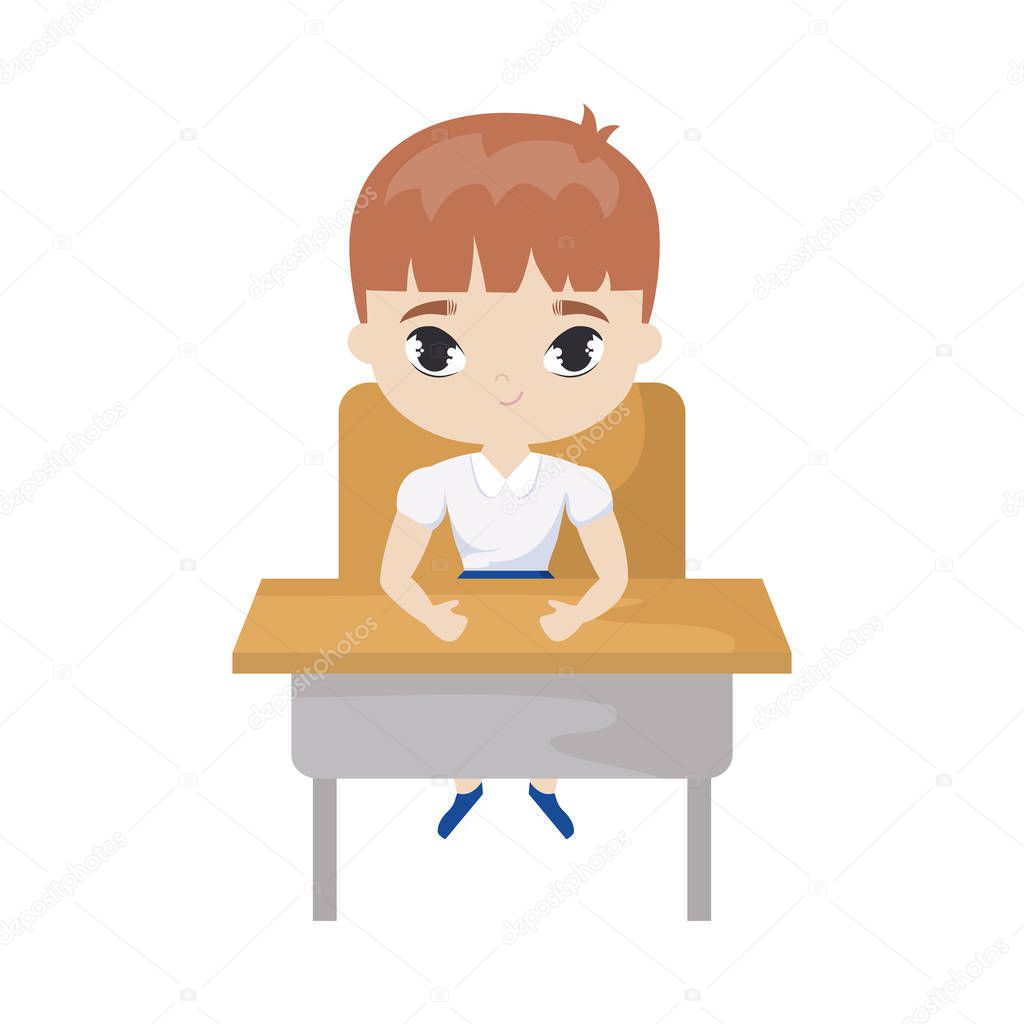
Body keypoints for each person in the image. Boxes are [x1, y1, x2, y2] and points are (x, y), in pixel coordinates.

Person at [347, 106, 661, 838]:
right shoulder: (430, 484)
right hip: (462, 611)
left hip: (547, 609)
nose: (506, 382)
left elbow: (611, 576)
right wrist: (432, 617)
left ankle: (546, 786)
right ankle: (467, 785)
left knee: (555, 699)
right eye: (435, 346)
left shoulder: (579, 484)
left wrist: (578, 615)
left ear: (637, 343)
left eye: (573, 346)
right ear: (372, 343)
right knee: (467, 702)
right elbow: (396, 575)